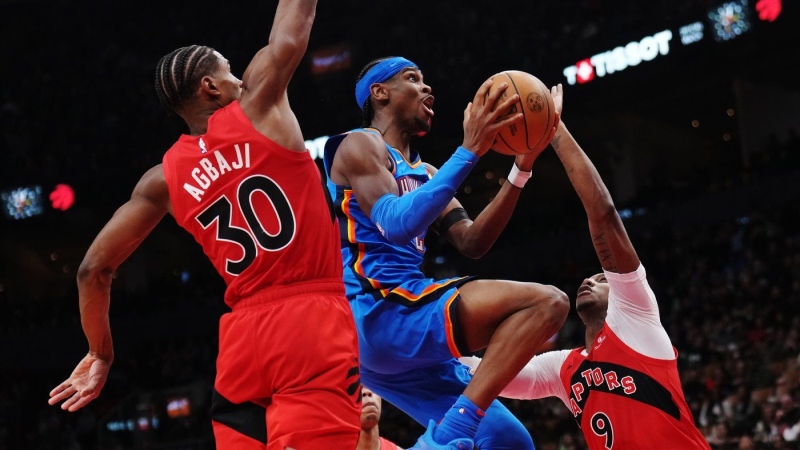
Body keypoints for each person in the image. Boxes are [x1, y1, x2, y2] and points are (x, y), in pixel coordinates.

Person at [46, 1, 365, 448]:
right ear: (210, 86)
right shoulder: (261, 105)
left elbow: (91, 271)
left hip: (242, 343)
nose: (240, 78)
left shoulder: (161, 180)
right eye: (230, 71)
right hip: (310, 322)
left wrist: (100, 353)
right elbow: (296, 24)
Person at [323, 56, 570, 449]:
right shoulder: (358, 144)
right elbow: (395, 222)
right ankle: (457, 427)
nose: (427, 88)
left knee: (509, 441)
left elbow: (472, 242)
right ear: (379, 92)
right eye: (412, 78)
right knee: (547, 304)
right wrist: (469, 149)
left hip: (397, 333)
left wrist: (521, 169)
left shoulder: (428, 174)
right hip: (377, 310)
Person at [462, 84, 712, 449]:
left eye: (601, 278)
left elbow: (604, 217)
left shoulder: (637, 316)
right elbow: (491, 373)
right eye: (591, 276)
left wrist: (554, 128)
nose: (589, 279)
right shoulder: (563, 368)